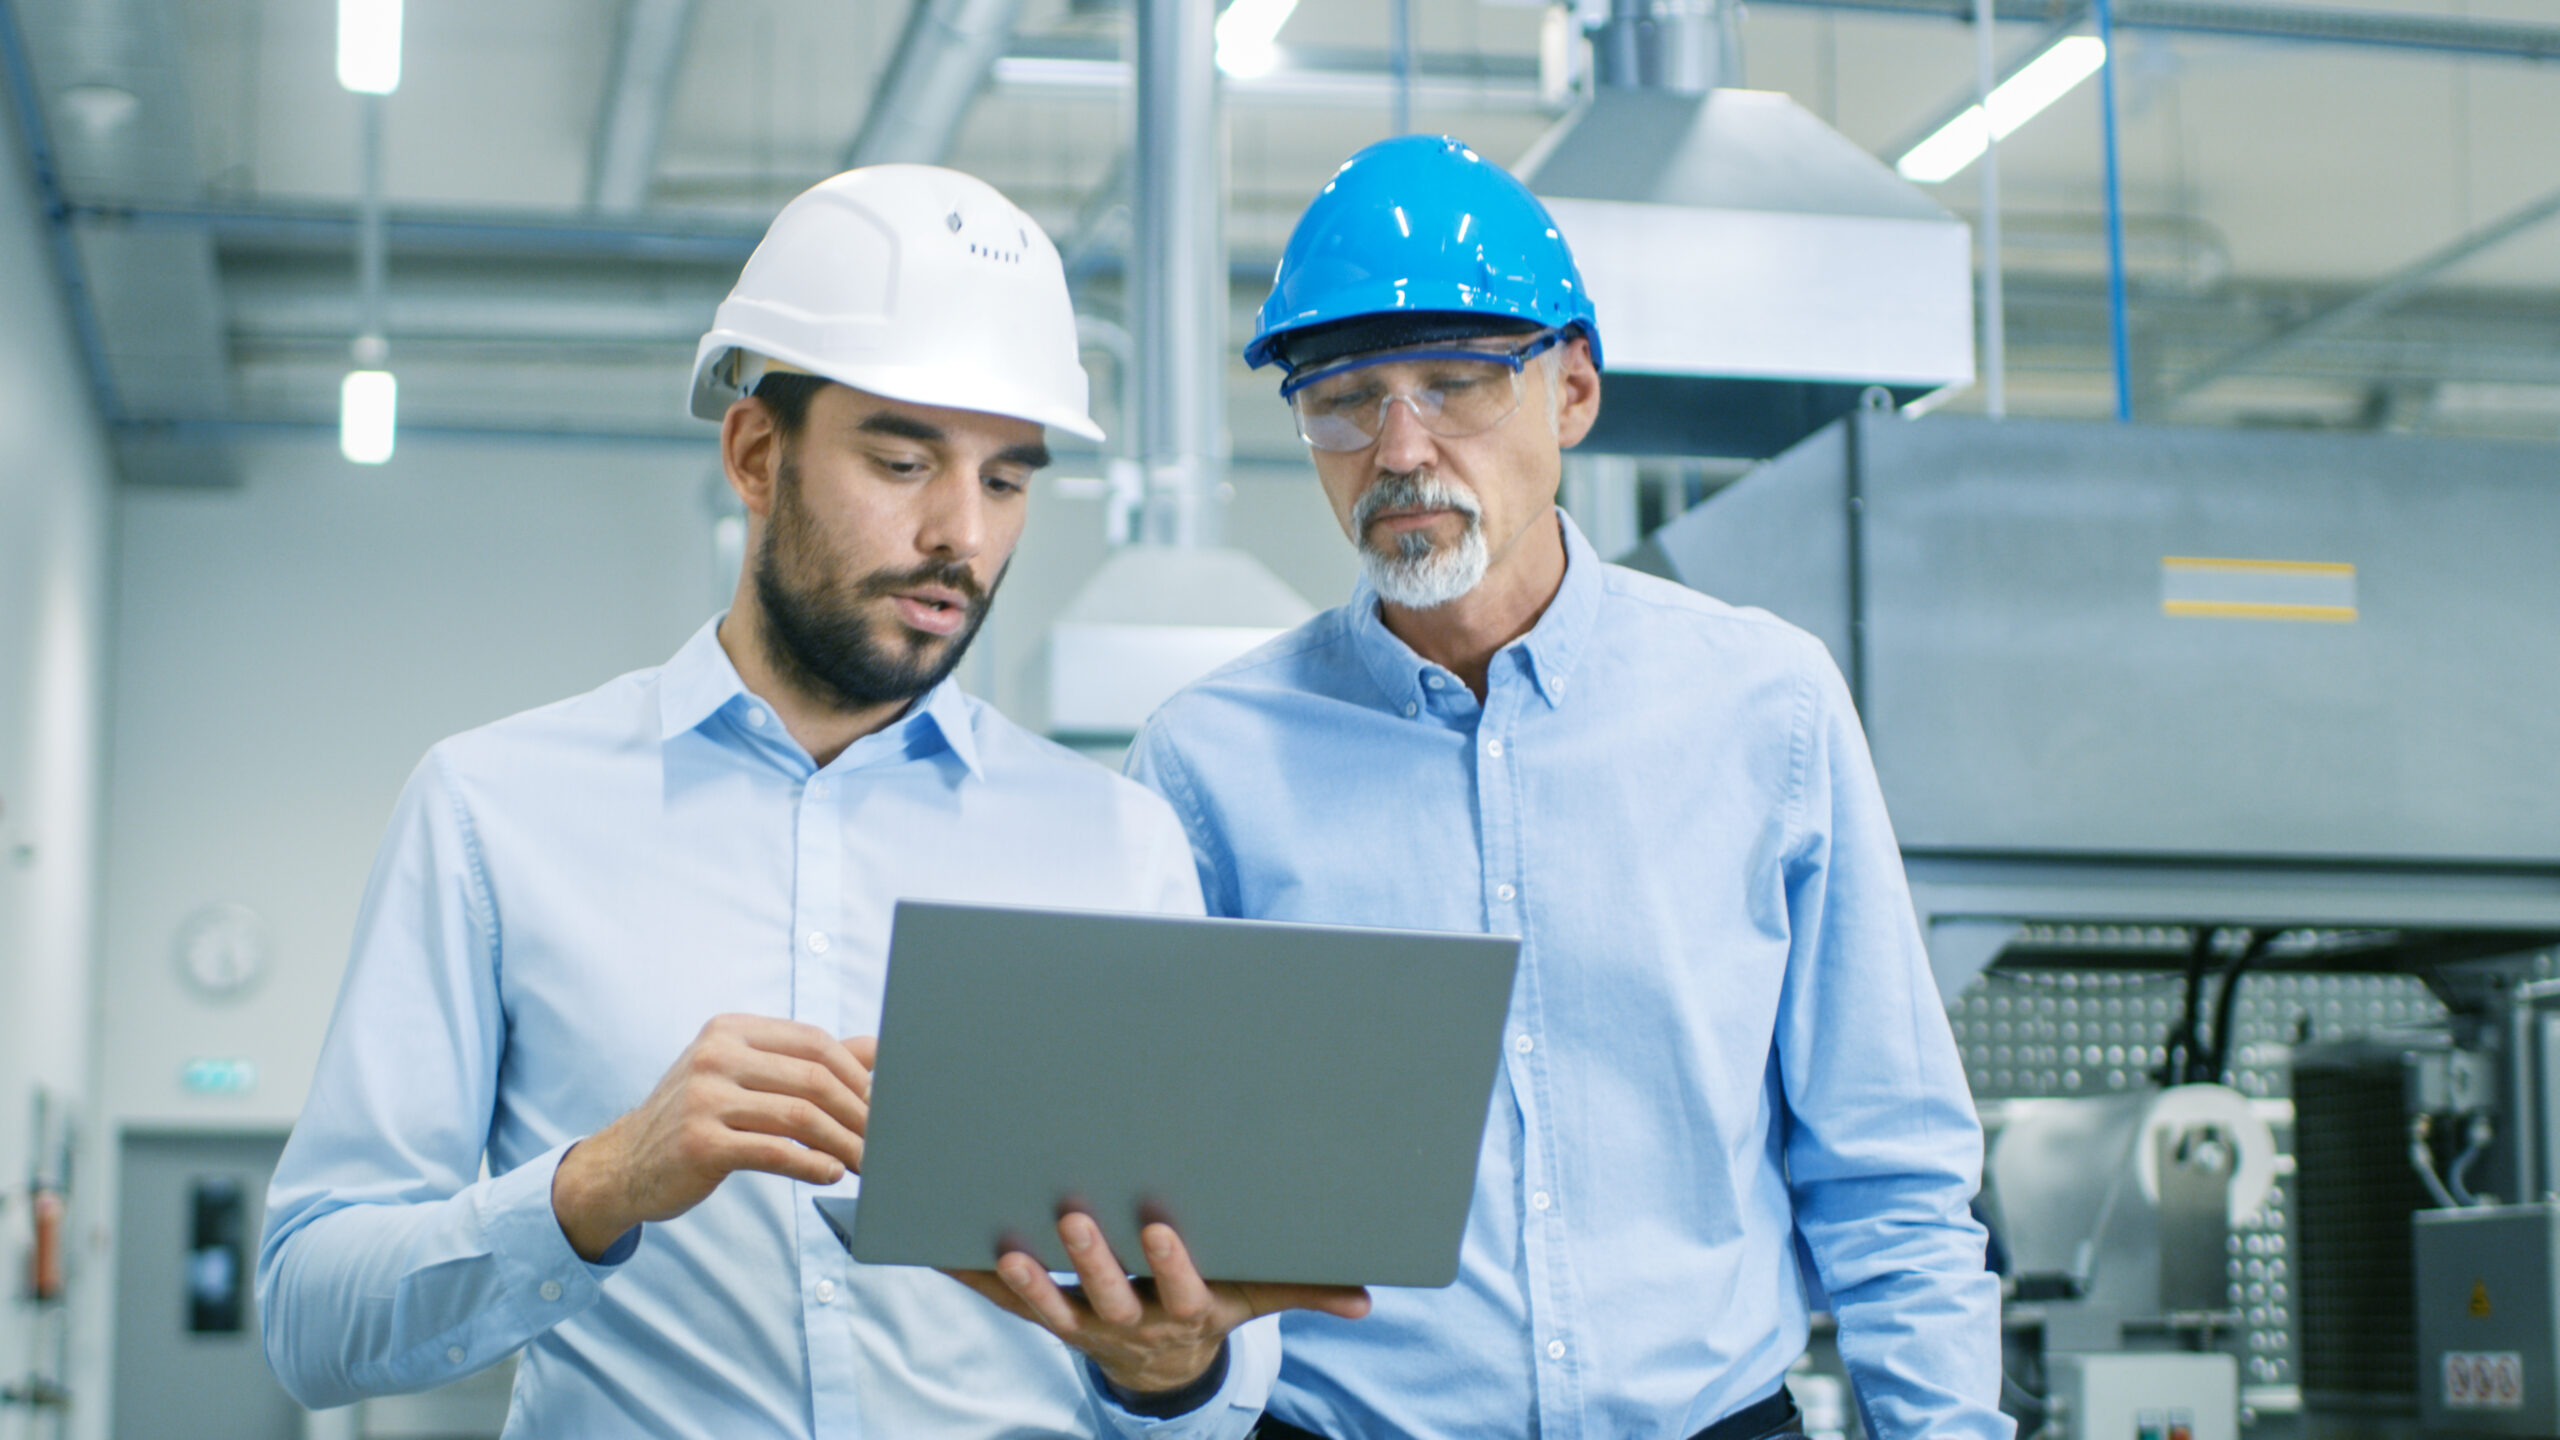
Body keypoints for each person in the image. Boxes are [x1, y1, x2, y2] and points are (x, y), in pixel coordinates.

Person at [258, 164, 1356, 1440]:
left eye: (1006, 481)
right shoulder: (495, 813)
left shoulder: (1113, 848)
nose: (962, 534)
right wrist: (599, 1183)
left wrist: (1168, 1371)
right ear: (756, 453)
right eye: (902, 461)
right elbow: (307, 1318)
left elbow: (1212, 1383)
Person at [1125, 135, 2008, 1440]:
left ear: (1574, 390)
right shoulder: (1208, 765)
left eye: (1457, 384)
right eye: (1345, 398)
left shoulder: (1766, 708)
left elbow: (1889, 1174)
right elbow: (1154, 1217)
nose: (1400, 448)